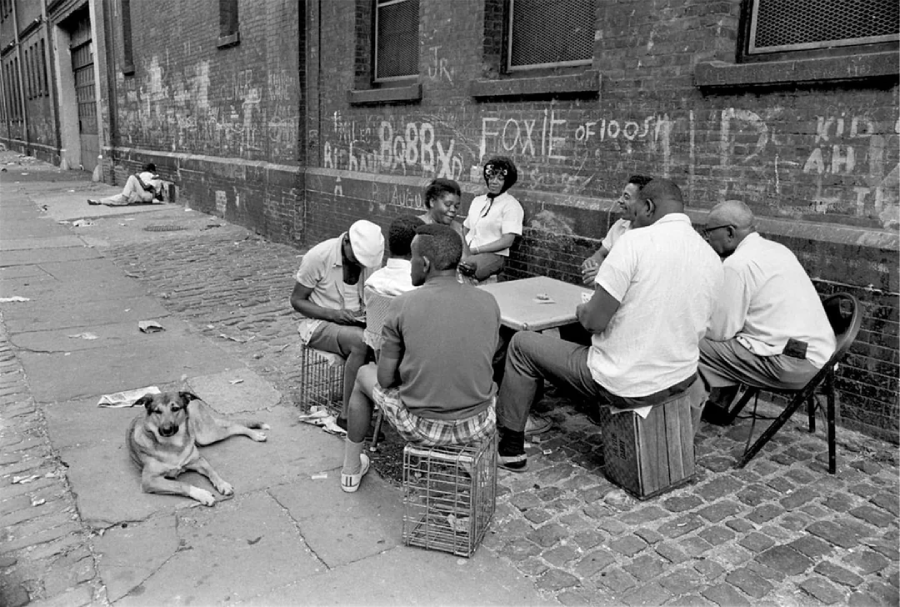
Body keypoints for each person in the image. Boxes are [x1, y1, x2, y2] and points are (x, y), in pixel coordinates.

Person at [495, 178, 723, 471]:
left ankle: (510, 447)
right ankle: (590, 408)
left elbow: (594, 321)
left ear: (648, 207)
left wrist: (581, 310)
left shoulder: (634, 241)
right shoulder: (709, 255)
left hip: (627, 382)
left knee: (521, 345)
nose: (636, 219)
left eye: (638, 212)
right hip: (679, 378)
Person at [340, 223, 501, 492]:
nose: (410, 265)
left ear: (424, 264)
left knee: (362, 376)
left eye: (411, 259)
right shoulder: (489, 302)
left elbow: (384, 378)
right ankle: (472, 469)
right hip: (479, 422)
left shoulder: (403, 305)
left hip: (423, 426)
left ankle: (350, 469)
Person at [699, 200, 837, 423]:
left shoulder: (738, 264)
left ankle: (696, 412)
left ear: (729, 232)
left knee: (690, 342)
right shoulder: (777, 249)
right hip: (821, 359)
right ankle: (717, 406)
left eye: (708, 231)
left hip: (794, 367)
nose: (706, 238)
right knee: (737, 336)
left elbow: (719, 332)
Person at [290, 220, 385, 426]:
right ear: (346, 242)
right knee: (361, 342)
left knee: (387, 338)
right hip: (319, 323)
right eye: (356, 259)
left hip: (355, 321)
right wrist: (333, 314)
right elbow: (297, 301)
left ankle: (375, 406)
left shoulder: (370, 259)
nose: (360, 265)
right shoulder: (319, 256)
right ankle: (347, 416)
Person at [459, 156, 524, 282]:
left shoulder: (511, 206)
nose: (494, 182)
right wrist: (463, 250)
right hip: (468, 251)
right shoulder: (478, 201)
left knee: (466, 267)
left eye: (500, 179)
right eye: (491, 177)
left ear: (508, 181)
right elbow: (465, 229)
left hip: (494, 256)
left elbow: (507, 241)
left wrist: (475, 250)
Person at [581, 175, 653, 286]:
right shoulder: (620, 225)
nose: (619, 201)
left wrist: (604, 275)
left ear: (646, 205)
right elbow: (601, 253)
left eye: (626, 197)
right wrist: (593, 264)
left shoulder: (653, 236)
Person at [418, 178, 466, 245]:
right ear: (432, 202)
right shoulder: (417, 227)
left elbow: (466, 255)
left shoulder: (458, 229)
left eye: (456, 206)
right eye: (448, 204)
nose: (453, 210)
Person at [88, 163, 163, 206]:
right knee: (121, 196)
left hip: (148, 196)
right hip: (141, 195)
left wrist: (138, 179)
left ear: (151, 171)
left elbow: (146, 187)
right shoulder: (147, 176)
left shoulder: (155, 178)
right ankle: (99, 201)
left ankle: (124, 197)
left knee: (132, 177)